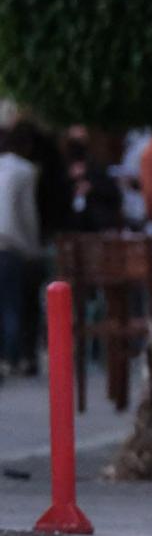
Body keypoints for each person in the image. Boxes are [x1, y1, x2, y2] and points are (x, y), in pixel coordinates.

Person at [0, 128, 39, 378]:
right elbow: (27, 214)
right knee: (13, 304)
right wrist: (32, 248)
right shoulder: (25, 171)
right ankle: (11, 357)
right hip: (11, 243)